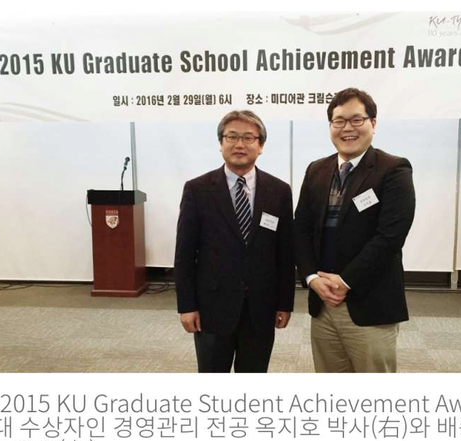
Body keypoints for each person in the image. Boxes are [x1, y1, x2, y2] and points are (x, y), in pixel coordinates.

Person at [294, 88, 416, 373]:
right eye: (339, 121)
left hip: (369, 304)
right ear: (330, 126)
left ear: (373, 123)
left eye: (356, 120)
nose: (347, 128)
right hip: (323, 302)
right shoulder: (316, 170)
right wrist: (312, 278)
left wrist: (345, 281)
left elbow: (390, 237)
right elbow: (300, 229)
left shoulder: (393, 169)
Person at [174, 110, 295, 373]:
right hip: (212, 309)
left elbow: (285, 253)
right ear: (221, 143)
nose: (240, 144)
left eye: (248, 137)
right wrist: (187, 305)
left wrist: (285, 303)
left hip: (260, 309)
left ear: (260, 146)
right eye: (232, 137)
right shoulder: (197, 190)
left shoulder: (279, 191)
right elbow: (184, 254)